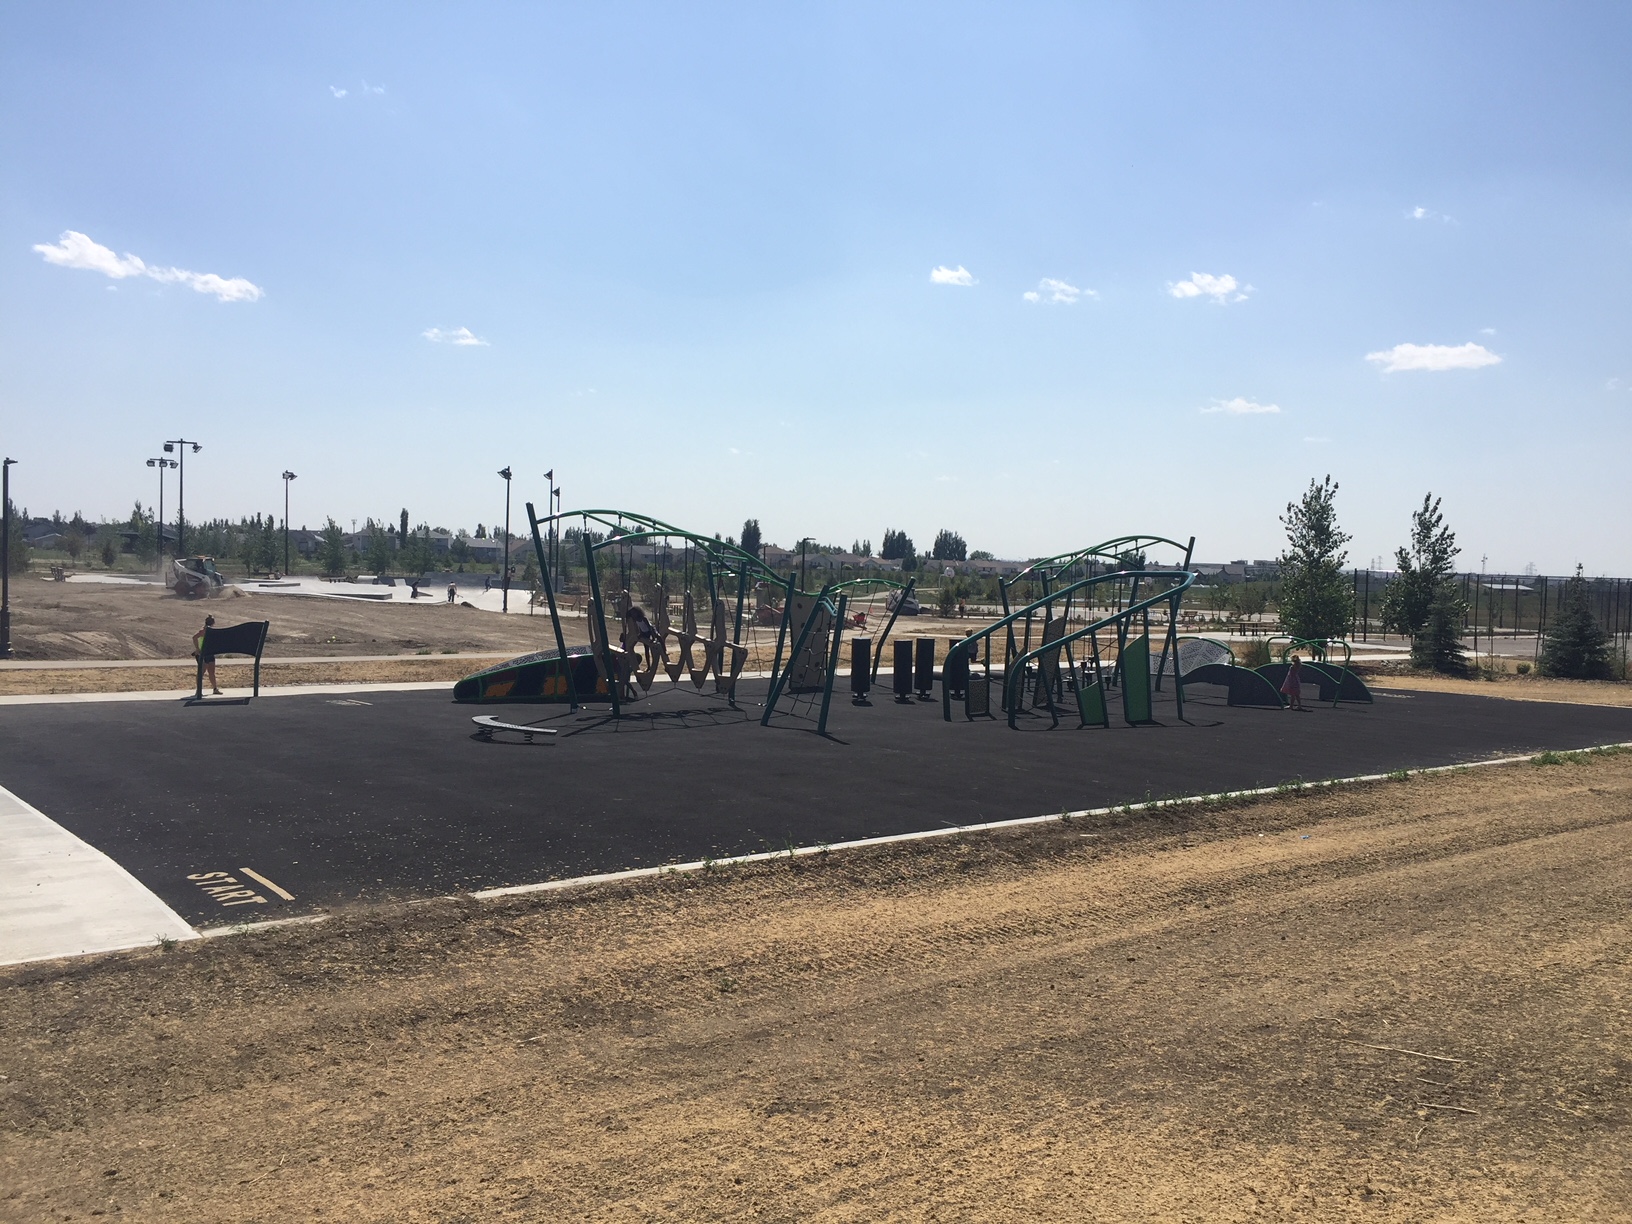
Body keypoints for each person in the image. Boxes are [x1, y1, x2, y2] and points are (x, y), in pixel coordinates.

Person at [193, 614, 222, 696]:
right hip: (204, 653)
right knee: (201, 672)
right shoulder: (203, 630)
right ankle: (198, 690)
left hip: (210, 653)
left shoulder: (211, 630)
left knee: (211, 672)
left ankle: (215, 688)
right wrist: (198, 649)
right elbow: (194, 637)